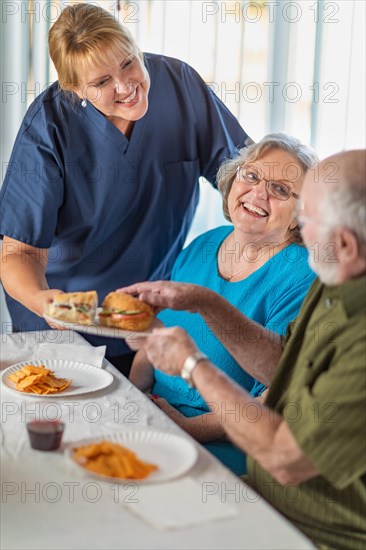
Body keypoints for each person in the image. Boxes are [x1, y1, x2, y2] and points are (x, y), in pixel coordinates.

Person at [121, 149, 366, 550]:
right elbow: (280, 367)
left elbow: (285, 460)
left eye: (306, 219)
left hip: (315, 532)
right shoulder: (337, 275)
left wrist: (191, 364)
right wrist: (206, 301)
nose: (301, 233)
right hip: (264, 491)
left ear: (344, 244)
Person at [0, 3, 251, 374]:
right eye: (101, 83)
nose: (125, 87)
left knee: (138, 419)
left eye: (129, 63)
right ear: (74, 88)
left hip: (144, 309)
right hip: (66, 317)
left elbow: (241, 175)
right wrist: (41, 301)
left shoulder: (180, 85)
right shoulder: (49, 127)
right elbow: (17, 252)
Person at [127, 133, 317, 475]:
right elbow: (159, 339)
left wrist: (185, 428)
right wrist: (132, 396)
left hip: (225, 451)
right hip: (152, 419)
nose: (258, 193)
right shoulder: (205, 243)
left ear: (299, 216)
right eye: (252, 176)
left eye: (280, 190)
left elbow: (274, 399)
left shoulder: (302, 276)